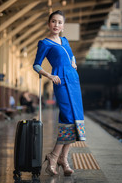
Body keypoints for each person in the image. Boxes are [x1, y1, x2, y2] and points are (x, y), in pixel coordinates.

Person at [33, 10, 86, 176]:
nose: (56, 25)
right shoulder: (45, 43)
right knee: (68, 117)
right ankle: (55, 156)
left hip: (74, 80)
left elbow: (72, 56)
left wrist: (74, 63)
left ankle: (63, 158)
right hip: (60, 81)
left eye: (60, 22)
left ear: (63, 26)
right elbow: (36, 65)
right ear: (49, 24)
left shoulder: (65, 40)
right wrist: (50, 75)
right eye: (53, 21)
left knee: (75, 118)